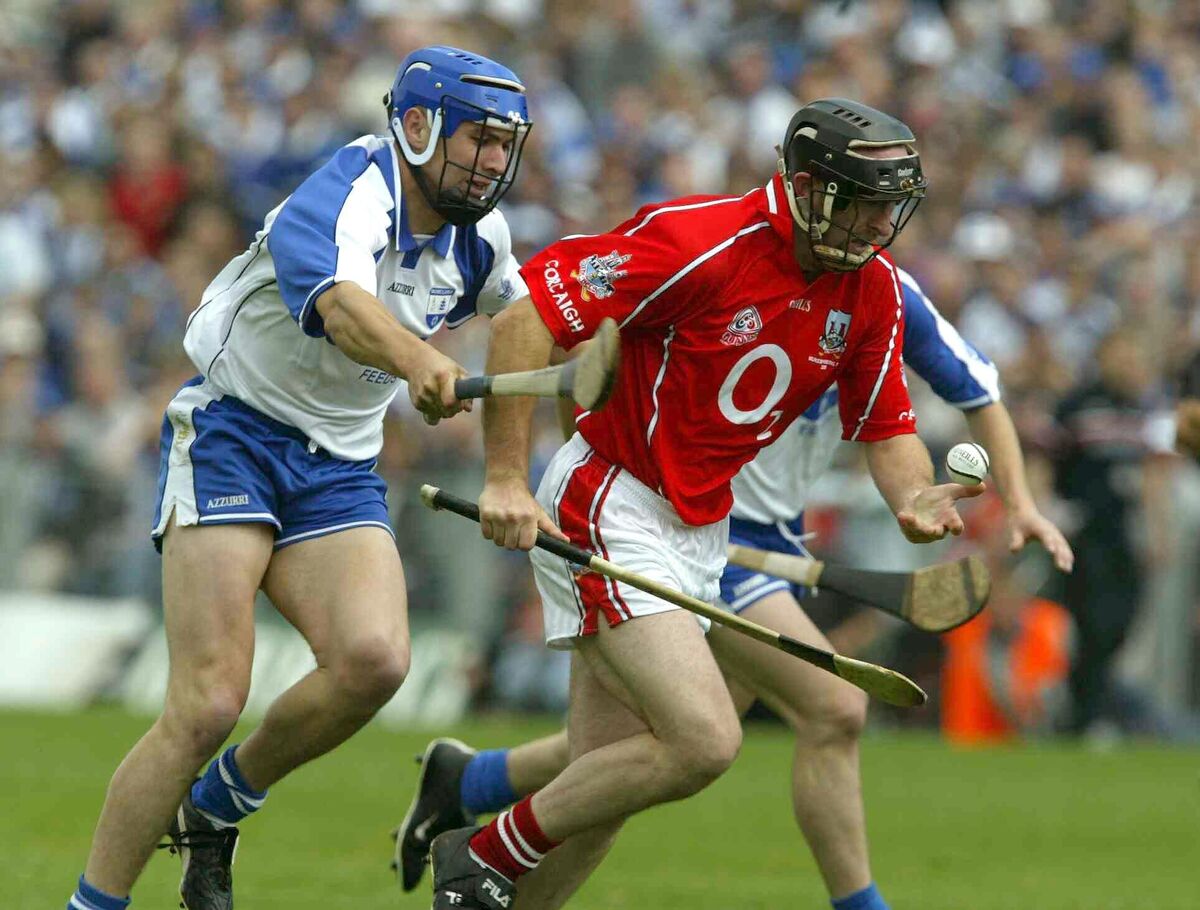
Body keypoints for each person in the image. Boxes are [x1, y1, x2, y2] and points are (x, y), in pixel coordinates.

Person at [422, 98, 980, 910]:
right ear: (805, 186)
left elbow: (886, 425)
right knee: (705, 740)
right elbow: (528, 314)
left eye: (887, 208)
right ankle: (481, 848)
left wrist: (915, 496)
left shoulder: (873, 292)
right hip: (609, 501)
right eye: (859, 203)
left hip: (698, 529)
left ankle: (486, 878)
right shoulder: (700, 242)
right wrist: (505, 477)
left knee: (601, 795)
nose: (874, 225)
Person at [393, 267, 1075, 908]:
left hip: (765, 537)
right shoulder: (731, 264)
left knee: (619, 764)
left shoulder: (886, 295)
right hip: (688, 528)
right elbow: (591, 356)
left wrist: (1019, 503)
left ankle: (470, 781)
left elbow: (976, 390)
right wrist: (591, 454)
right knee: (828, 710)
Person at [65, 45, 533, 910]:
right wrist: (418, 357)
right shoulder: (353, 186)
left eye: (508, 146)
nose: (495, 163)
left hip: (341, 461)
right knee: (206, 703)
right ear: (421, 128)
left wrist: (509, 474)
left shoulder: (483, 241)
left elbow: (525, 322)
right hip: (233, 432)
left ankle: (215, 805)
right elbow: (337, 305)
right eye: (480, 140)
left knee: (375, 661)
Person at [1051, 327, 1174, 738]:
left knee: (1123, 622)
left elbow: (1153, 473)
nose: (1129, 364)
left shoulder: (1145, 410)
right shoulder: (1076, 405)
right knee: (1094, 622)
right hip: (1085, 530)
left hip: (1125, 530)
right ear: (1103, 357)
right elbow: (1045, 458)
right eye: (1121, 355)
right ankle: (1087, 717)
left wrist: (1158, 532)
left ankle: (1091, 710)